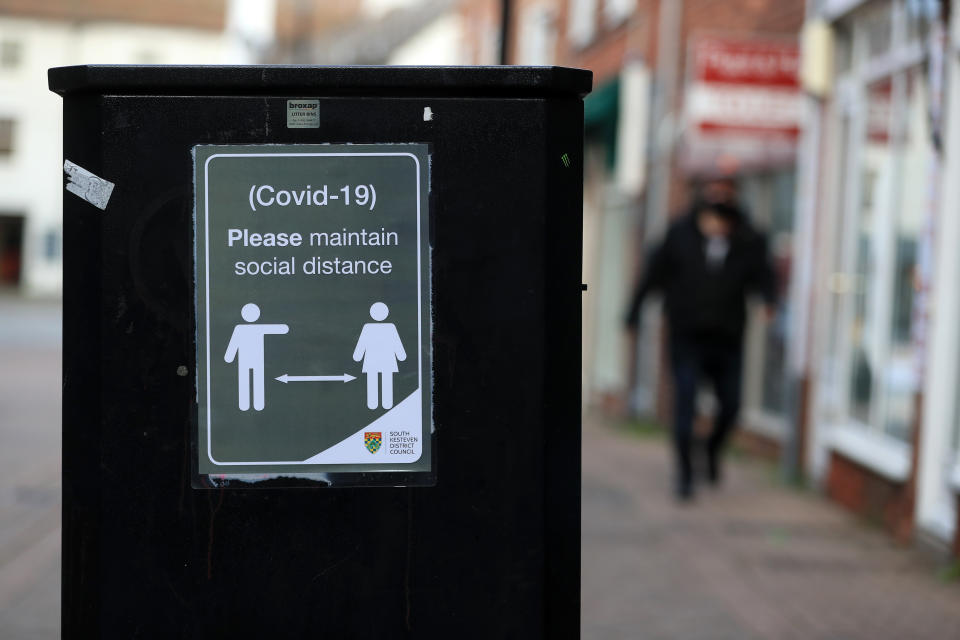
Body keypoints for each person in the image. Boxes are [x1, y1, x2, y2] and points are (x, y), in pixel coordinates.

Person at [625, 196, 775, 500]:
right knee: (685, 400)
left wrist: (769, 301)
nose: (717, 227)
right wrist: (634, 313)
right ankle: (684, 475)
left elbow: (764, 276)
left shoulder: (748, 243)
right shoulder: (678, 237)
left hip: (727, 339)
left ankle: (710, 449)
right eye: (711, 220)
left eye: (723, 223)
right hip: (687, 337)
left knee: (731, 405)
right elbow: (652, 275)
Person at [224, 303, 289, 411]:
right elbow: (233, 344)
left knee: (255, 380)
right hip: (249, 361)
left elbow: (281, 329)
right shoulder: (241, 329)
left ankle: (255, 404)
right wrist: (229, 357)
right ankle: (248, 404)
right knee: (248, 380)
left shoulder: (243, 329)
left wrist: (229, 357)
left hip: (254, 361)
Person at [353, 302, 407, 410]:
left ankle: (373, 403)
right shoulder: (390, 328)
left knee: (373, 381)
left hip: (372, 361)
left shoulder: (368, 328)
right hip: (387, 361)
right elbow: (397, 344)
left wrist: (357, 356)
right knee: (385, 381)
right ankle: (386, 403)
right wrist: (401, 356)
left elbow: (361, 345)